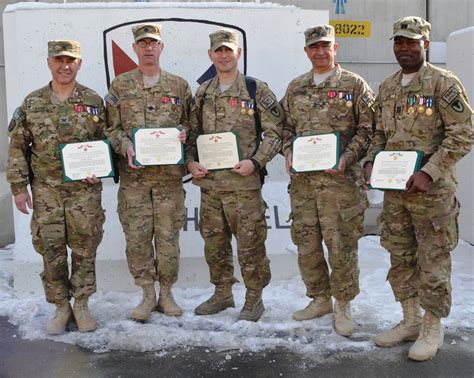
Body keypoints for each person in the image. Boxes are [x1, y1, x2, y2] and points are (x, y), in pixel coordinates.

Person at [363, 16, 472, 361]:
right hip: (396, 192)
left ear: (425, 44)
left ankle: (432, 326)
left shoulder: (443, 83)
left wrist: (430, 171)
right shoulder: (389, 86)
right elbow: (381, 133)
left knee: (433, 260)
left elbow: (464, 134)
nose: (405, 48)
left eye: (412, 42)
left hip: (431, 193)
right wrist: (370, 160)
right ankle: (409, 319)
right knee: (400, 255)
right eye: (399, 42)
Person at [281, 25, 375, 336]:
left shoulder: (354, 85)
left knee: (341, 246)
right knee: (307, 246)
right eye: (314, 47)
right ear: (306, 51)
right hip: (304, 186)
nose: (320, 52)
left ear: (335, 49)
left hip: (341, 184)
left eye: (326, 46)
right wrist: (288, 153)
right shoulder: (295, 88)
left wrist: (348, 156)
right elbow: (284, 130)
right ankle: (320, 298)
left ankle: (343, 304)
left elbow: (368, 129)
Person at [185, 29, 284, 322]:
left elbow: (275, 133)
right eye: (218, 51)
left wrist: (256, 161)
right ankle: (222, 293)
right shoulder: (203, 93)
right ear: (210, 55)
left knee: (251, 244)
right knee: (214, 245)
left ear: (238, 53)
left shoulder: (256, 90)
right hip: (211, 187)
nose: (224, 55)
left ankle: (254, 297)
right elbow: (191, 135)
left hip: (244, 185)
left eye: (229, 50)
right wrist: (190, 163)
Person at [7, 40, 106, 334]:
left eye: (71, 60)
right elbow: (17, 147)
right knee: (51, 249)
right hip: (46, 190)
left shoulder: (93, 101)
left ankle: (83, 304)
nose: (65, 66)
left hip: (84, 191)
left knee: (85, 247)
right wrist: (18, 187)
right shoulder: (32, 102)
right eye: (59, 60)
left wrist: (101, 169)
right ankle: (61, 306)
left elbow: (107, 141)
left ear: (79, 63)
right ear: (49, 62)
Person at [105, 23, 192, 321]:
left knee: (168, 238)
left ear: (161, 47)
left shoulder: (179, 86)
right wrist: (125, 145)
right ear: (135, 48)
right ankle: (146, 293)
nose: (148, 48)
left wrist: (182, 132)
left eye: (153, 43)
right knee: (138, 238)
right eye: (143, 43)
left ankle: (166, 293)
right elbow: (110, 128)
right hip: (135, 182)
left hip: (168, 180)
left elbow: (191, 124)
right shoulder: (120, 86)